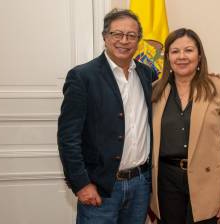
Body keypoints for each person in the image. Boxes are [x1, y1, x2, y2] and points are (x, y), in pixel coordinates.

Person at [57, 9, 155, 224]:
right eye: (116, 34)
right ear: (105, 37)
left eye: (131, 35)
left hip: (141, 185)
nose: (124, 41)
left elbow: (180, 83)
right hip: (101, 188)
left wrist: (210, 78)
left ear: (139, 40)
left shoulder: (148, 74)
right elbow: (68, 138)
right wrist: (81, 184)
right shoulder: (82, 77)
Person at [150, 28, 220, 224]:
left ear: (199, 56)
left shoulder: (219, 88)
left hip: (208, 184)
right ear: (167, 57)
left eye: (189, 50)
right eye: (175, 51)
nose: (182, 56)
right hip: (166, 183)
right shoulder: (155, 91)